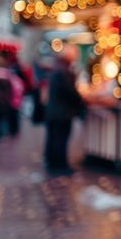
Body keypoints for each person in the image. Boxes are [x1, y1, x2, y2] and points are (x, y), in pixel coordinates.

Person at [45, 44, 85, 172]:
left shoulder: (58, 68)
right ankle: (60, 165)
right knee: (60, 139)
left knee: (54, 138)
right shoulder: (64, 71)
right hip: (61, 112)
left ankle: (52, 162)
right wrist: (80, 99)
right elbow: (70, 92)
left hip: (55, 111)